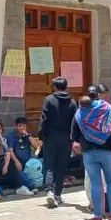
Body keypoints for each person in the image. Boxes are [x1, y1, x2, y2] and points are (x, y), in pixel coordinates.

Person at [72, 92, 111, 220]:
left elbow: (75, 135)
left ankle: (97, 216)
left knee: (95, 183)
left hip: (89, 153)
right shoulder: (109, 110)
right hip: (108, 151)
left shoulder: (79, 114)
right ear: (98, 97)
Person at [40, 76, 75, 208]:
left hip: (51, 137)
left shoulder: (49, 100)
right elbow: (74, 122)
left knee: (49, 165)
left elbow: (44, 119)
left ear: (55, 87)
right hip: (66, 138)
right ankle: (58, 194)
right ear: (66, 87)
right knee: (61, 166)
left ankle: (49, 190)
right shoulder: (72, 102)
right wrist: (74, 138)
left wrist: (41, 135)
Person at [4, 117, 38, 195]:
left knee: (40, 161)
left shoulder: (27, 136)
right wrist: (16, 162)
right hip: (16, 162)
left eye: (24, 126)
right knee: (15, 167)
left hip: (27, 162)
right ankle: (31, 186)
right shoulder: (11, 136)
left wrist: (27, 135)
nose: (22, 128)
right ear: (16, 126)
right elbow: (10, 151)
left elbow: (36, 146)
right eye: (20, 126)